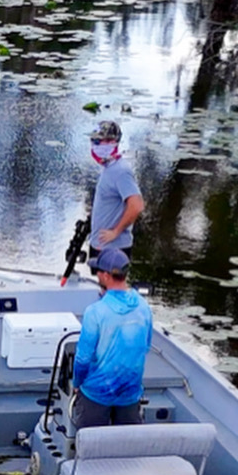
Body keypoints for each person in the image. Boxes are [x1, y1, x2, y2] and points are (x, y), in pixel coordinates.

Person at [71, 247, 153, 429]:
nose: (96, 275)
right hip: (130, 394)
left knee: (90, 448)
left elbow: (82, 359)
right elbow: (146, 347)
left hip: (96, 394)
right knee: (126, 448)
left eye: (97, 271)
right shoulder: (143, 307)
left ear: (106, 276)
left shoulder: (95, 312)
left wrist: (76, 384)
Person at [88, 120, 143, 262]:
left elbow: (136, 205)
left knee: (111, 285)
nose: (96, 145)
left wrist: (116, 232)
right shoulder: (109, 168)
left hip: (113, 250)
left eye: (102, 141)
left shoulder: (121, 171)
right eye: (95, 141)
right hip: (101, 247)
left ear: (114, 142)